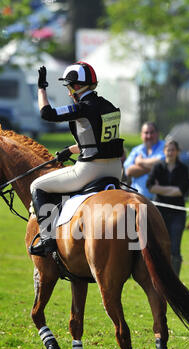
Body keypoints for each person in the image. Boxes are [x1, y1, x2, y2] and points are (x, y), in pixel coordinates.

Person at [29, 61, 124, 256]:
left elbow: (47, 114)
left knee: (37, 186)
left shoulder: (83, 107)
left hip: (90, 170)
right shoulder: (109, 106)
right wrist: (71, 150)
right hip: (116, 169)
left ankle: (47, 239)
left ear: (77, 86)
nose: (68, 91)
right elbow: (100, 141)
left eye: (68, 86)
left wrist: (41, 89)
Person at [146, 139, 189, 276]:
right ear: (164, 151)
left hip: (178, 213)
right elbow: (150, 187)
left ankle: (174, 278)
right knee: (158, 244)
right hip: (160, 212)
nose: (170, 152)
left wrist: (160, 188)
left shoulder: (183, 169)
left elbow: (181, 190)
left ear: (177, 152)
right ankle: (159, 275)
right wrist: (171, 189)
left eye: (173, 150)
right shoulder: (157, 167)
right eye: (168, 149)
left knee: (175, 247)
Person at [123, 122, 165, 199]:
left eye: (152, 132)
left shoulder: (165, 147)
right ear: (141, 135)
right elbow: (128, 171)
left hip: (159, 200)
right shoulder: (136, 150)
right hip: (136, 198)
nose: (149, 136)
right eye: (146, 133)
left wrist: (139, 162)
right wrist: (154, 167)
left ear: (157, 134)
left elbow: (163, 163)